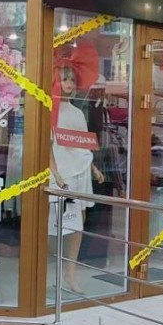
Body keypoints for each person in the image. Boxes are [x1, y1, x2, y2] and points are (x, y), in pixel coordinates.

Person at [49, 48, 104, 294]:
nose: (69, 84)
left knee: (77, 226)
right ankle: (52, 272)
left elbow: (82, 144)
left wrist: (93, 168)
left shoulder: (78, 112)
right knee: (55, 225)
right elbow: (48, 147)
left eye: (71, 80)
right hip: (60, 175)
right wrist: (56, 174)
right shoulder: (49, 111)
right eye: (64, 79)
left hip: (80, 173)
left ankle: (70, 273)